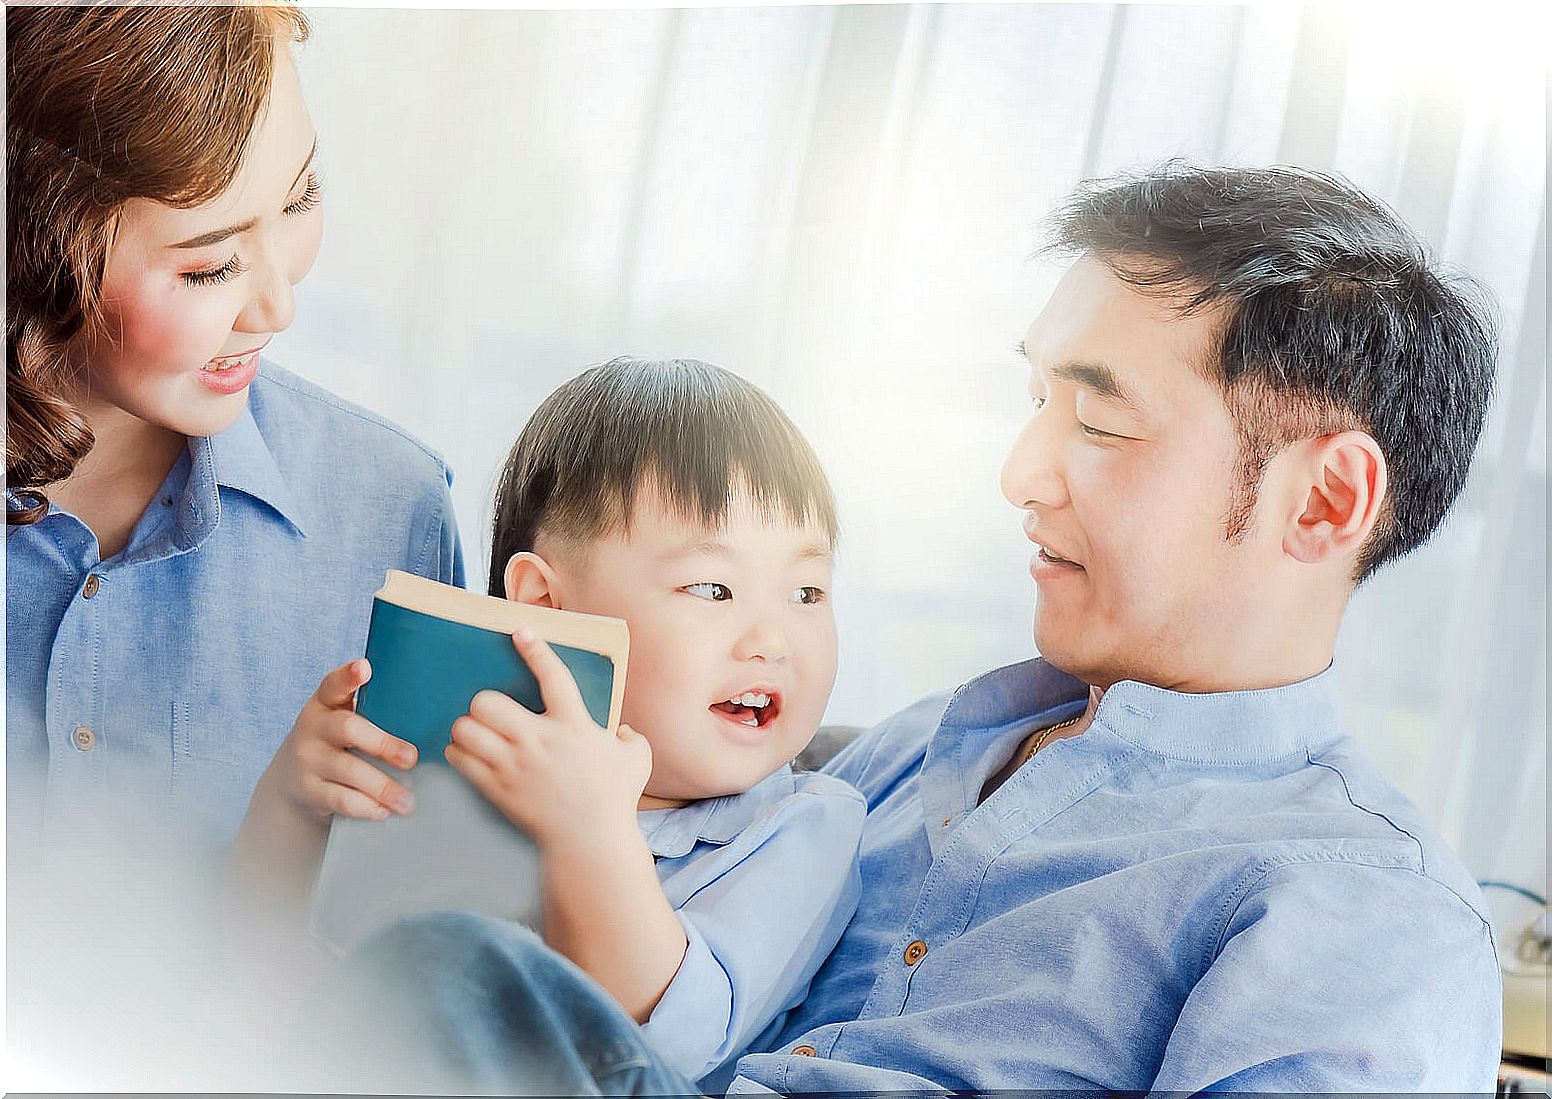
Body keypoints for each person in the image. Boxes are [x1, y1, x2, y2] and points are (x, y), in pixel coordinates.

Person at [315, 164, 1504, 1094]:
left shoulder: (1361, 918)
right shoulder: (892, 757)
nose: (1021, 473)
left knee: (451, 979)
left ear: (1325, 500)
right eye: (1034, 403)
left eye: (1098, 421)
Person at [5, 6, 462, 1085]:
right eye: (209, 265)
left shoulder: (388, 511)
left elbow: (418, 984)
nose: (279, 301)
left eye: (298, 199)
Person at [238, 358, 865, 1090]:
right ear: (545, 604)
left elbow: (673, 1039)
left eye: (807, 590)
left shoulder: (805, 825)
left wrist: (591, 834)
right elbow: (262, 960)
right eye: (712, 587)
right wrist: (294, 805)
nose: (771, 638)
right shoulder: (465, 757)